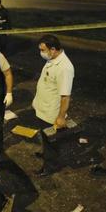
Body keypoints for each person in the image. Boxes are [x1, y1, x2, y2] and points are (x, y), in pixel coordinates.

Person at [32, 35, 75, 176]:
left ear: (53, 49)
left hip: (51, 112)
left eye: (43, 50)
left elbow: (65, 96)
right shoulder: (52, 59)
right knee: (45, 137)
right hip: (43, 107)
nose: (41, 53)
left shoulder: (65, 68)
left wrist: (61, 117)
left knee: (52, 141)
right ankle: (47, 154)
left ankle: (50, 166)